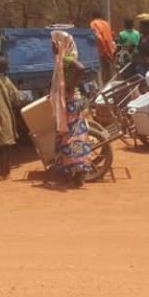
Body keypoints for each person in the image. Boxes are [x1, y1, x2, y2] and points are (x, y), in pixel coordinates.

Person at [49, 30, 91, 187]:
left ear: (62, 44)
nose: (52, 47)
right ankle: (78, 175)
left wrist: (69, 87)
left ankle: (70, 175)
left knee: (68, 137)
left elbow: (80, 68)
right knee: (75, 136)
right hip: (70, 100)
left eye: (54, 43)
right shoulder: (63, 58)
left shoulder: (66, 58)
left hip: (69, 101)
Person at [90, 10, 116, 85]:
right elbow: (112, 35)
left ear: (93, 16)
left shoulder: (94, 23)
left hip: (102, 52)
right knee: (110, 75)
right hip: (111, 52)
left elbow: (99, 38)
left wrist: (104, 51)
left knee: (101, 75)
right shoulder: (106, 23)